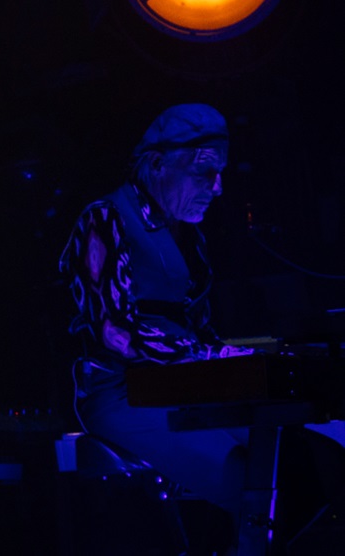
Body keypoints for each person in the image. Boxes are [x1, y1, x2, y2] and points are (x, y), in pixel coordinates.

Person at [58, 103, 345, 553]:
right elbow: (113, 331)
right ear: (157, 165)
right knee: (254, 480)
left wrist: (237, 358)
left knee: (318, 459)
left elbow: (199, 331)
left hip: (186, 386)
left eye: (221, 172)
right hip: (121, 392)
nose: (218, 187)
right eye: (204, 171)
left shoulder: (189, 234)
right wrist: (209, 359)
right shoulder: (105, 218)